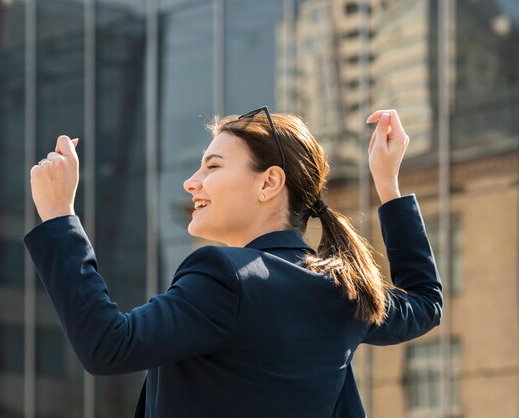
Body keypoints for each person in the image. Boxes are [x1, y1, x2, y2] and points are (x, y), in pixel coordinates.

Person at [24, 108, 442, 417]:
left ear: (269, 183)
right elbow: (425, 303)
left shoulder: (226, 277)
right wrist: (388, 185)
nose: (192, 182)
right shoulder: (343, 289)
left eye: (213, 166)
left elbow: (107, 345)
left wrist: (60, 217)